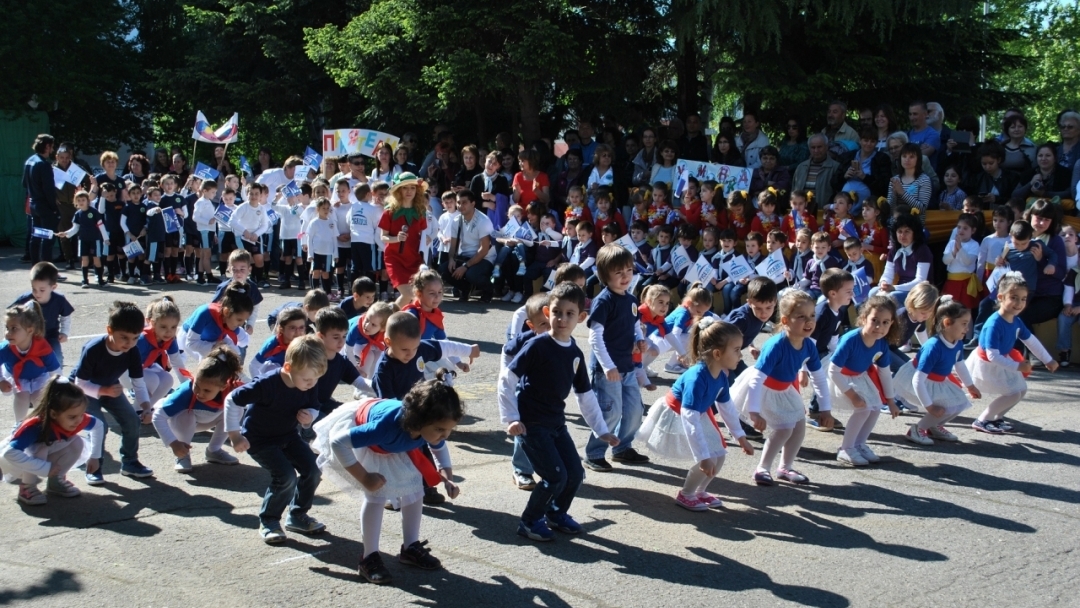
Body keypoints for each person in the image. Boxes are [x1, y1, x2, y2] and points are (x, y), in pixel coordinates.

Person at [314, 371, 462, 583]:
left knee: (414, 491)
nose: (445, 435)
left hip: (397, 441)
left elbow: (439, 446)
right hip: (366, 432)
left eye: (449, 430)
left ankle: (410, 547)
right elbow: (338, 443)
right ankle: (368, 557)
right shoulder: (385, 428)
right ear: (420, 421)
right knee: (376, 495)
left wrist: (448, 477)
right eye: (440, 429)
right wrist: (365, 478)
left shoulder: (430, 427)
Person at [498, 282, 617, 540]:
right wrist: (511, 418)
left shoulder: (574, 353)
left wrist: (602, 430)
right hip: (532, 424)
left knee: (575, 473)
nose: (562, 319)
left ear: (581, 318)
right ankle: (529, 522)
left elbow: (585, 395)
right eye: (557, 312)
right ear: (546, 313)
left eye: (569, 313)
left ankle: (555, 513)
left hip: (555, 423)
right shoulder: (537, 346)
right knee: (554, 477)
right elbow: (507, 379)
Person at [638, 318, 754, 510]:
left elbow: (727, 407)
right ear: (717, 353)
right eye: (736, 350)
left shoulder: (721, 375)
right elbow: (689, 418)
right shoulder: (697, 377)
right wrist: (702, 455)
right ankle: (686, 494)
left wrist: (740, 437)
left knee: (719, 454)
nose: (740, 355)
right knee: (709, 457)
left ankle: (700, 491)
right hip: (678, 415)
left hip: (697, 413)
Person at [225, 335, 329, 544]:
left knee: (314, 469)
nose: (311, 384)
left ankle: (297, 515)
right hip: (260, 439)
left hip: (288, 435)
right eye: (307, 379)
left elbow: (314, 405)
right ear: (289, 368)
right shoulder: (266, 384)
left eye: (315, 379)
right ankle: (269, 521)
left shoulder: (308, 382)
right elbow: (232, 400)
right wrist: (235, 435)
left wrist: (310, 414)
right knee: (286, 477)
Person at [731, 290, 833, 486]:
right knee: (784, 429)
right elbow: (756, 380)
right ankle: (762, 468)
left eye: (812, 315)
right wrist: (754, 412)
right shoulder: (776, 345)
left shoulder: (809, 345)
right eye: (801, 316)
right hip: (764, 389)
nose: (809, 321)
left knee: (798, 428)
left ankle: (785, 467)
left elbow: (819, 378)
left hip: (785, 389)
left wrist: (825, 408)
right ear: (785, 321)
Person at [965, 273, 1059, 435]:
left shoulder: (1016, 320)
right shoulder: (994, 323)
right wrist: (1018, 366)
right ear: (1001, 297)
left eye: (1023, 299)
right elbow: (992, 356)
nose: (1019, 303)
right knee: (1013, 393)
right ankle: (982, 420)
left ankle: (995, 417)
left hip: (1002, 360)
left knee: (1021, 390)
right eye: (1014, 297)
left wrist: (1048, 359)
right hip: (987, 364)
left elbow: (1031, 341)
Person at [583, 244, 650, 471]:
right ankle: (594, 453)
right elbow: (594, 338)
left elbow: (634, 325)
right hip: (607, 371)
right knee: (610, 413)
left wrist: (639, 340)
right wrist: (608, 366)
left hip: (627, 366)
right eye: (618, 272)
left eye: (629, 271)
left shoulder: (630, 300)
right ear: (604, 274)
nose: (625, 277)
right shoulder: (604, 301)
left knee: (634, 411)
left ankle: (622, 448)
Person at [71, 301, 153, 482]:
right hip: (86, 392)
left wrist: (147, 407)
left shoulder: (132, 351)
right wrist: (103, 390)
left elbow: (138, 382)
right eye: (124, 337)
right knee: (99, 426)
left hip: (109, 388)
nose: (129, 343)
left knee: (132, 421)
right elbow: (79, 383)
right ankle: (94, 467)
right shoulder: (93, 349)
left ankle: (130, 463)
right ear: (109, 330)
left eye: (135, 338)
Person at [2, 378, 103, 506]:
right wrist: (45, 468)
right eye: (72, 417)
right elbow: (8, 453)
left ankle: (55, 482)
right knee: (41, 449)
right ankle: (27, 487)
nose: (79, 420)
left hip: (41, 454)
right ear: (54, 414)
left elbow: (98, 426)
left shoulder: (77, 417)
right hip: (14, 462)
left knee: (77, 442)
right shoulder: (35, 426)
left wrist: (95, 457)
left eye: (82, 414)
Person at [894, 297, 980, 446]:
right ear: (947, 323)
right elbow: (917, 380)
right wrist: (929, 406)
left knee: (958, 402)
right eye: (964, 324)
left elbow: (960, 364)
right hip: (919, 379)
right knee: (944, 406)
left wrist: (970, 385)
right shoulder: (933, 347)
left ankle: (933, 426)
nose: (967, 329)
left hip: (937, 380)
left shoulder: (957, 342)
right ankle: (917, 429)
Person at [828, 295, 901, 466]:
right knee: (863, 408)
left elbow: (884, 373)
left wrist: (890, 401)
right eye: (874, 320)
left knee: (875, 407)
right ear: (863, 318)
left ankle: (858, 444)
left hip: (860, 376)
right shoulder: (851, 340)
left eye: (885, 322)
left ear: (892, 324)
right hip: (841, 377)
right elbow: (833, 371)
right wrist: (853, 395)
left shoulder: (881, 343)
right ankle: (846, 448)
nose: (879, 327)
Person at [152, 345, 242, 473]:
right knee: (186, 416)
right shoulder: (186, 391)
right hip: (177, 421)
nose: (199, 393)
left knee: (236, 409)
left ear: (223, 386)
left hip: (204, 419)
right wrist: (173, 443)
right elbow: (158, 416)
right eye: (197, 385)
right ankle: (182, 455)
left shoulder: (232, 389)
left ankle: (214, 450)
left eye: (207, 390)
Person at [0, 302, 60, 433]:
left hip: (39, 376)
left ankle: (42, 424)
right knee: (22, 397)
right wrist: (1, 380)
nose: (8, 333)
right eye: (7, 328)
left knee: (39, 398)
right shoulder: (5, 348)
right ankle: (19, 425)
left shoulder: (42, 346)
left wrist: (57, 388)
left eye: (14, 328)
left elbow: (54, 370)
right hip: (17, 376)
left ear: (30, 330)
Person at [379, 173, 430, 308]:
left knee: (418, 296)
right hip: (395, 258)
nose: (409, 191)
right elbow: (383, 237)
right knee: (408, 294)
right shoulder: (389, 212)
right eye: (405, 188)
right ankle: (388, 321)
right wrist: (396, 238)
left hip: (414, 258)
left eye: (412, 188)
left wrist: (428, 242)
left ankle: (404, 322)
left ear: (417, 190)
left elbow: (424, 235)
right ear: (398, 190)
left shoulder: (421, 211)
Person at [10, 263, 74, 370]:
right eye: (33, 289)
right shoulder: (25, 299)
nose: (37, 293)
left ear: (53, 287)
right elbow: (11, 314)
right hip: (29, 336)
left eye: (42, 290)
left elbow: (66, 316)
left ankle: (56, 382)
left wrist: (64, 332)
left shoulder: (59, 300)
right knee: (24, 360)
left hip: (51, 335)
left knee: (56, 358)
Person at [131, 296, 187, 408]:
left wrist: (188, 386)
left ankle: (146, 410)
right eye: (163, 326)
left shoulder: (169, 339)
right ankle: (138, 410)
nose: (169, 331)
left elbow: (177, 362)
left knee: (167, 380)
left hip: (140, 369)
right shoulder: (142, 339)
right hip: (122, 370)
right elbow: (125, 364)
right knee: (152, 380)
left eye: (173, 327)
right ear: (152, 323)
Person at [441, 190, 496, 303]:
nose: (460, 206)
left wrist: (465, 266)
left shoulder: (483, 221)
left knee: (472, 274)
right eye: (458, 202)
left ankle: (489, 290)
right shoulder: (456, 220)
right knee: (443, 269)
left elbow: (484, 250)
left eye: (464, 202)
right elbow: (453, 246)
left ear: (473, 203)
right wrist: (451, 259)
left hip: (485, 258)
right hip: (465, 256)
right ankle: (466, 288)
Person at [181, 281, 255, 364]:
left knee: (235, 354)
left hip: (214, 339)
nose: (241, 324)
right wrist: (215, 347)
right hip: (189, 340)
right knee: (218, 360)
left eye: (244, 320)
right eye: (239, 320)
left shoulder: (230, 320)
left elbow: (244, 341)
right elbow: (191, 343)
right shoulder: (205, 313)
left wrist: (242, 340)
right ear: (226, 312)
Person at [870, 215, 933, 305]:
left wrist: (894, 288)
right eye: (899, 231)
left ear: (914, 233)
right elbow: (887, 274)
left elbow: (920, 281)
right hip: (898, 288)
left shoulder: (923, 250)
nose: (903, 235)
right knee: (872, 292)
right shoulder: (894, 250)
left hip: (920, 291)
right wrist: (884, 283)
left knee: (891, 298)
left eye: (907, 231)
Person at [57, 191, 110, 286]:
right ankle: (85, 280)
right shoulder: (78, 214)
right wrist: (65, 233)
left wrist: (106, 238)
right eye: (79, 200)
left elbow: (101, 225)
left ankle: (100, 280)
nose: (81, 202)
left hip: (95, 239)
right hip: (83, 240)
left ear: (88, 201)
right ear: (76, 202)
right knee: (84, 259)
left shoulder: (94, 212)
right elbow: (75, 228)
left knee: (96, 259)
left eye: (83, 200)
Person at [24, 134, 60, 264]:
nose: (52, 149)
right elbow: (49, 190)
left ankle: (36, 267)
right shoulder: (44, 165)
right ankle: (47, 270)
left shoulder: (30, 161)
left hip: (33, 204)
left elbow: (24, 183)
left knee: (37, 236)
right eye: (51, 146)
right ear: (47, 146)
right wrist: (54, 208)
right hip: (44, 206)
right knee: (48, 238)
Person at [833, 129, 891, 206]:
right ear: (860, 141)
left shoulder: (882, 159)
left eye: (872, 141)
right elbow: (833, 182)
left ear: (876, 143)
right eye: (866, 140)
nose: (868, 144)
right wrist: (845, 176)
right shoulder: (848, 156)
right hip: (844, 205)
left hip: (869, 206)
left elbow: (884, 186)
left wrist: (864, 177)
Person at [941, 214, 984, 310]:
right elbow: (945, 260)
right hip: (951, 282)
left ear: (973, 230)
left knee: (965, 310)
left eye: (965, 228)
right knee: (949, 310)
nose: (961, 230)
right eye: (959, 227)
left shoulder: (974, 244)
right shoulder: (952, 243)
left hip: (965, 283)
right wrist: (954, 252)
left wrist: (960, 247)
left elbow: (968, 261)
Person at [250, 307, 309, 378]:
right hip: (274, 377)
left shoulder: (306, 342)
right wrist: (260, 385)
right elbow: (253, 365)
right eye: (292, 328)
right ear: (281, 329)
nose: (298, 332)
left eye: (301, 327)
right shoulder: (272, 343)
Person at [346, 302, 394, 379]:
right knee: (369, 356)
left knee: (379, 354)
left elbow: (389, 349)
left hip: (364, 342)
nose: (367, 325)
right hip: (345, 342)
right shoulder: (356, 327)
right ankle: (361, 383)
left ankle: (371, 382)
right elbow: (348, 349)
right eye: (367, 319)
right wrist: (356, 368)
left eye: (373, 325)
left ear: (382, 329)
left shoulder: (384, 332)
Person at [792, 134, 840, 206]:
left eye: (819, 147)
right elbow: (794, 190)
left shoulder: (836, 167)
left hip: (824, 212)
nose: (816, 150)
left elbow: (839, 194)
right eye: (813, 147)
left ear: (826, 147)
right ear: (809, 148)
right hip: (801, 211)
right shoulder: (801, 167)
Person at [888, 143, 932, 217]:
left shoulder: (924, 180)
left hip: (914, 224)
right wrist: (894, 195)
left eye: (911, 157)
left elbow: (922, 209)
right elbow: (889, 210)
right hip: (896, 224)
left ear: (918, 159)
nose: (907, 160)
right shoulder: (895, 180)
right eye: (904, 156)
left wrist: (902, 192)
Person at [907, 101, 941, 167]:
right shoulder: (907, 134)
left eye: (915, 114)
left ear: (925, 114)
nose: (912, 118)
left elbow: (920, 157)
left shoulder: (933, 134)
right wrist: (919, 148)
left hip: (925, 175)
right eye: (910, 114)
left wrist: (905, 151)